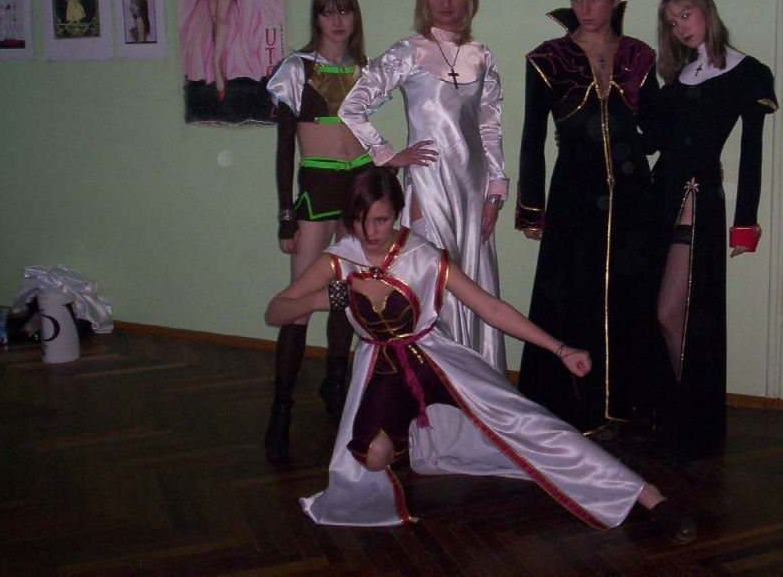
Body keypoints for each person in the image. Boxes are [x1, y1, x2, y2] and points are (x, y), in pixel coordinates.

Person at [266, 168, 696, 543]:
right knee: (373, 458)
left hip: (436, 358)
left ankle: (649, 496)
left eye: (380, 219)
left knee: (532, 422)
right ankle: (408, 430)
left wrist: (560, 349)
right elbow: (276, 311)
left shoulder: (421, 255)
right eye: (360, 221)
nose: (370, 232)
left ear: (396, 213)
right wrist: (327, 298)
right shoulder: (339, 260)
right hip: (383, 367)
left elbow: (491, 308)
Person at [338, 0, 508, 374]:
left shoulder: (481, 56)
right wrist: (388, 155)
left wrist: (496, 192)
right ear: (424, 0)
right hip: (430, 184)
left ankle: (477, 382)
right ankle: (436, 382)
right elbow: (352, 106)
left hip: (473, 188)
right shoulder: (408, 52)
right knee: (432, 278)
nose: (446, 2)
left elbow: (489, 127)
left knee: (474, 280)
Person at [515, 0, 659, 436]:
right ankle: (573, 406)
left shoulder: (639, 56)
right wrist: (531, 207)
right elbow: (532, 139)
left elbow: (655, 131)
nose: (585, 8)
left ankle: (626, 404)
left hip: (633, 196)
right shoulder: (548, 59)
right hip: (574, 195)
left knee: (629, 296)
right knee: (571, 297)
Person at [649, 0, 778, 460]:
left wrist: (745, 223)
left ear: (706, 10)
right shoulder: (676, 79)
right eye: (671, 22)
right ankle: (671, 409)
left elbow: (751, 153)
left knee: (677, 313)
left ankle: (694, 416)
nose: (680, 27)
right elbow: (650, 141)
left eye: (686, 14)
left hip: (698, 197)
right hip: (657, 198)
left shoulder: (748, 73)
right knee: (654, 312)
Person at [262, 0, 375, 461]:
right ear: (316, 17)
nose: (337, 20)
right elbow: (285, 147)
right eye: (328, 11)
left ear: (354, 16)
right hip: (317, 191)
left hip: (359, 189)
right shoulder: (297, 68)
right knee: (299, 303)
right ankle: (281, 409)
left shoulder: (366, 69)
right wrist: (285, 212)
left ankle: (336, 384)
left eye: (344, 10)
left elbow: (369, 137)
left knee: (348, 293)